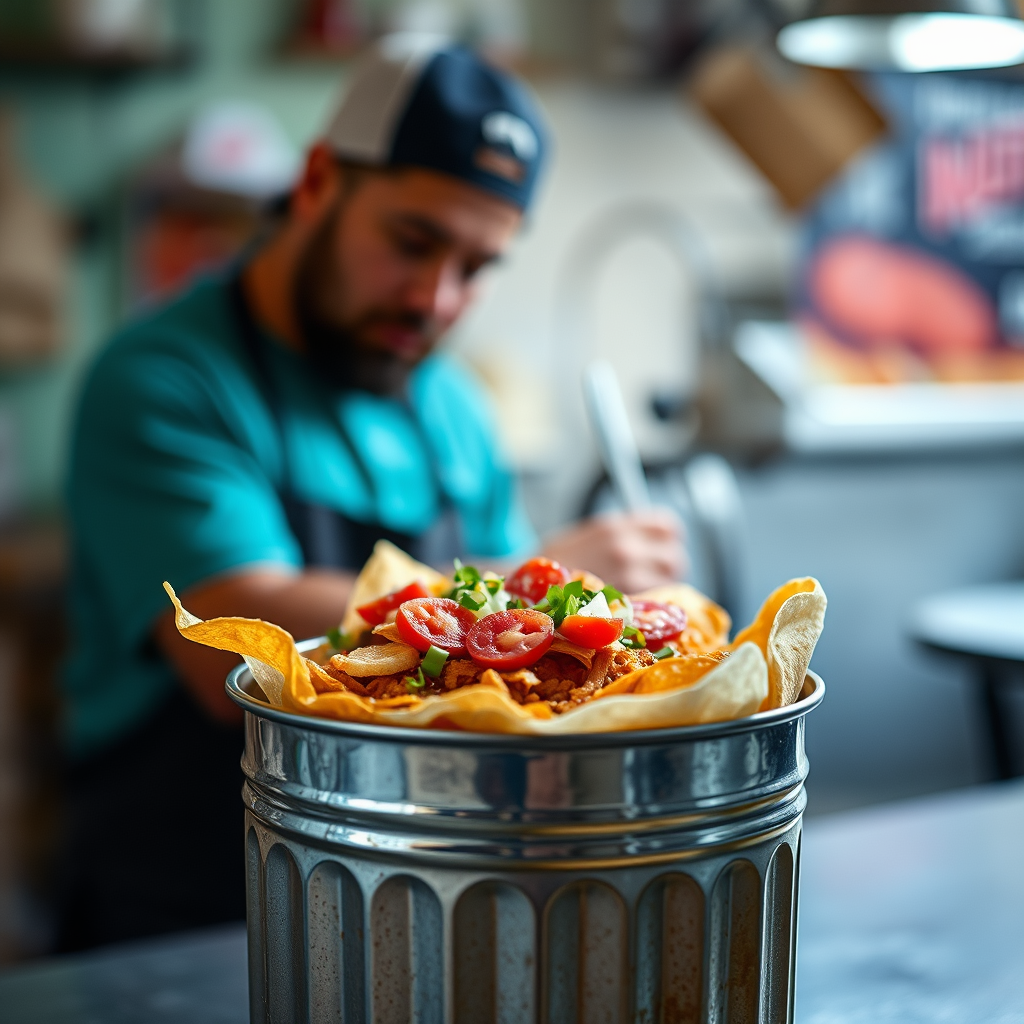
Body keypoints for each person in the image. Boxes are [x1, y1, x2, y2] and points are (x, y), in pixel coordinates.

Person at [57, 36, 685, 949]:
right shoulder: (163, 380)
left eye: (474, 269)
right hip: (193, 917)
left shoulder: (455, 409)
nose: (435, 299)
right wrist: (524, 584)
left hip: (422, 907)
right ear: (317, 181)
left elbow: (522, 690)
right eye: (412, 241)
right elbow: (240, 640)